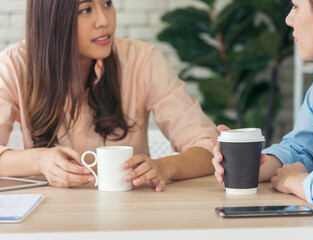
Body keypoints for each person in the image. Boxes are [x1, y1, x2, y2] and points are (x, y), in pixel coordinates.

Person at [0, 0, 218, 191]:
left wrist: (164, 166)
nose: (103, 20)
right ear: (51, 19)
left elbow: (209, 147)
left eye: (107, 3)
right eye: (85, 10)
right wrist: (40, 161)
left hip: (129, 218)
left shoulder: (142, 61)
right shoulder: (14, 66)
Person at [212, 0, 313, 219]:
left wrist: (293, 181)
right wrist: (252, 166)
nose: (288, 20)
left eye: (296, 7)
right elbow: (303, 148)